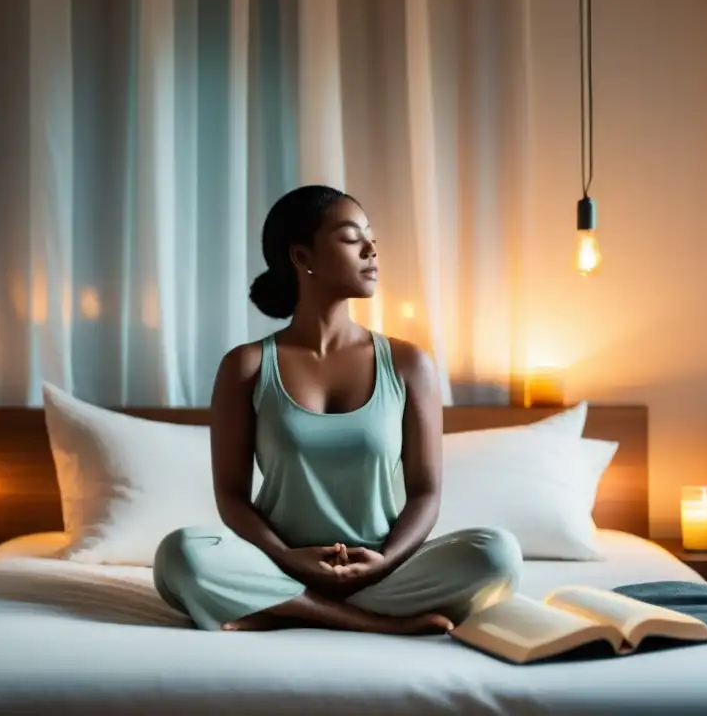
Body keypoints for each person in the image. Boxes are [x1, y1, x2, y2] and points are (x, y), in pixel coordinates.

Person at [153, 185, 523, 634]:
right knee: (181, 554)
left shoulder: (408, 364)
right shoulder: (246, 366)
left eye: (371, 238)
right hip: (279, 565)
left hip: (383, 570)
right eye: (351, 238)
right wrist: (288, 558)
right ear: (301, 256)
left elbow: (426, 492)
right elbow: (232, 497)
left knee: (497, 554)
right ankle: (370, 621)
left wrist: (382, 560)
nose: (372, 250)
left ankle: (284, 610)